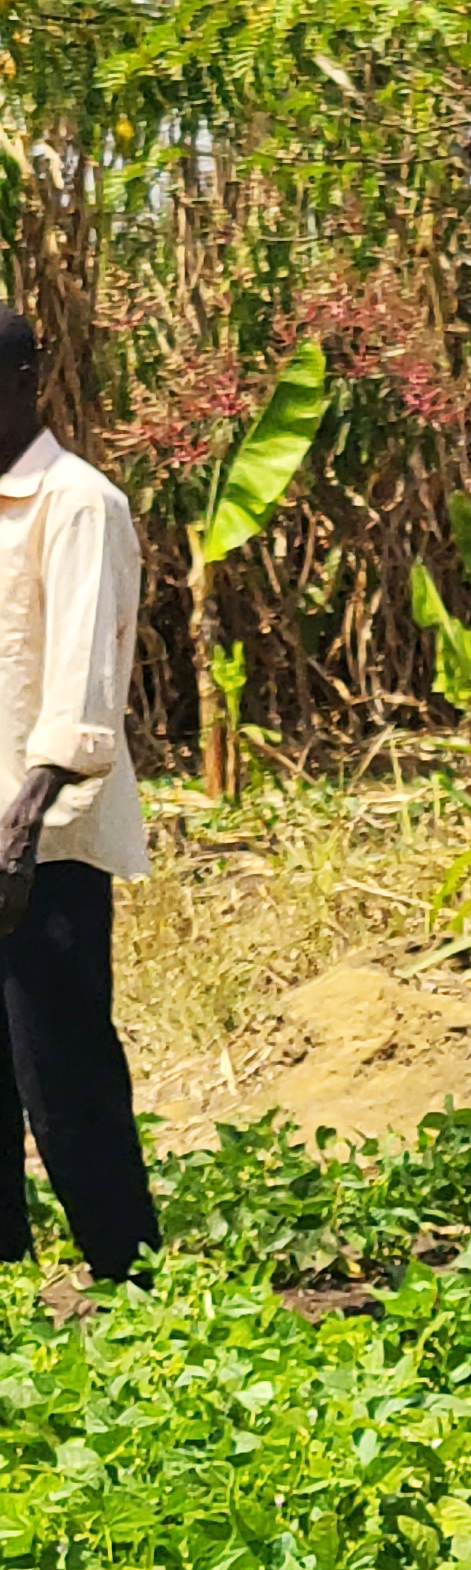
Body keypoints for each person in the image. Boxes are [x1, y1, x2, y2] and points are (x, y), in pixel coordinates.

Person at [0, 316, 153, 1286]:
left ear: (22, 377)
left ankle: (132, 1279)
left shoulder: (78, 503)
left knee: (63, 1076)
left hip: (42, 848)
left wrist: (21, 828)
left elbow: (84, 686)